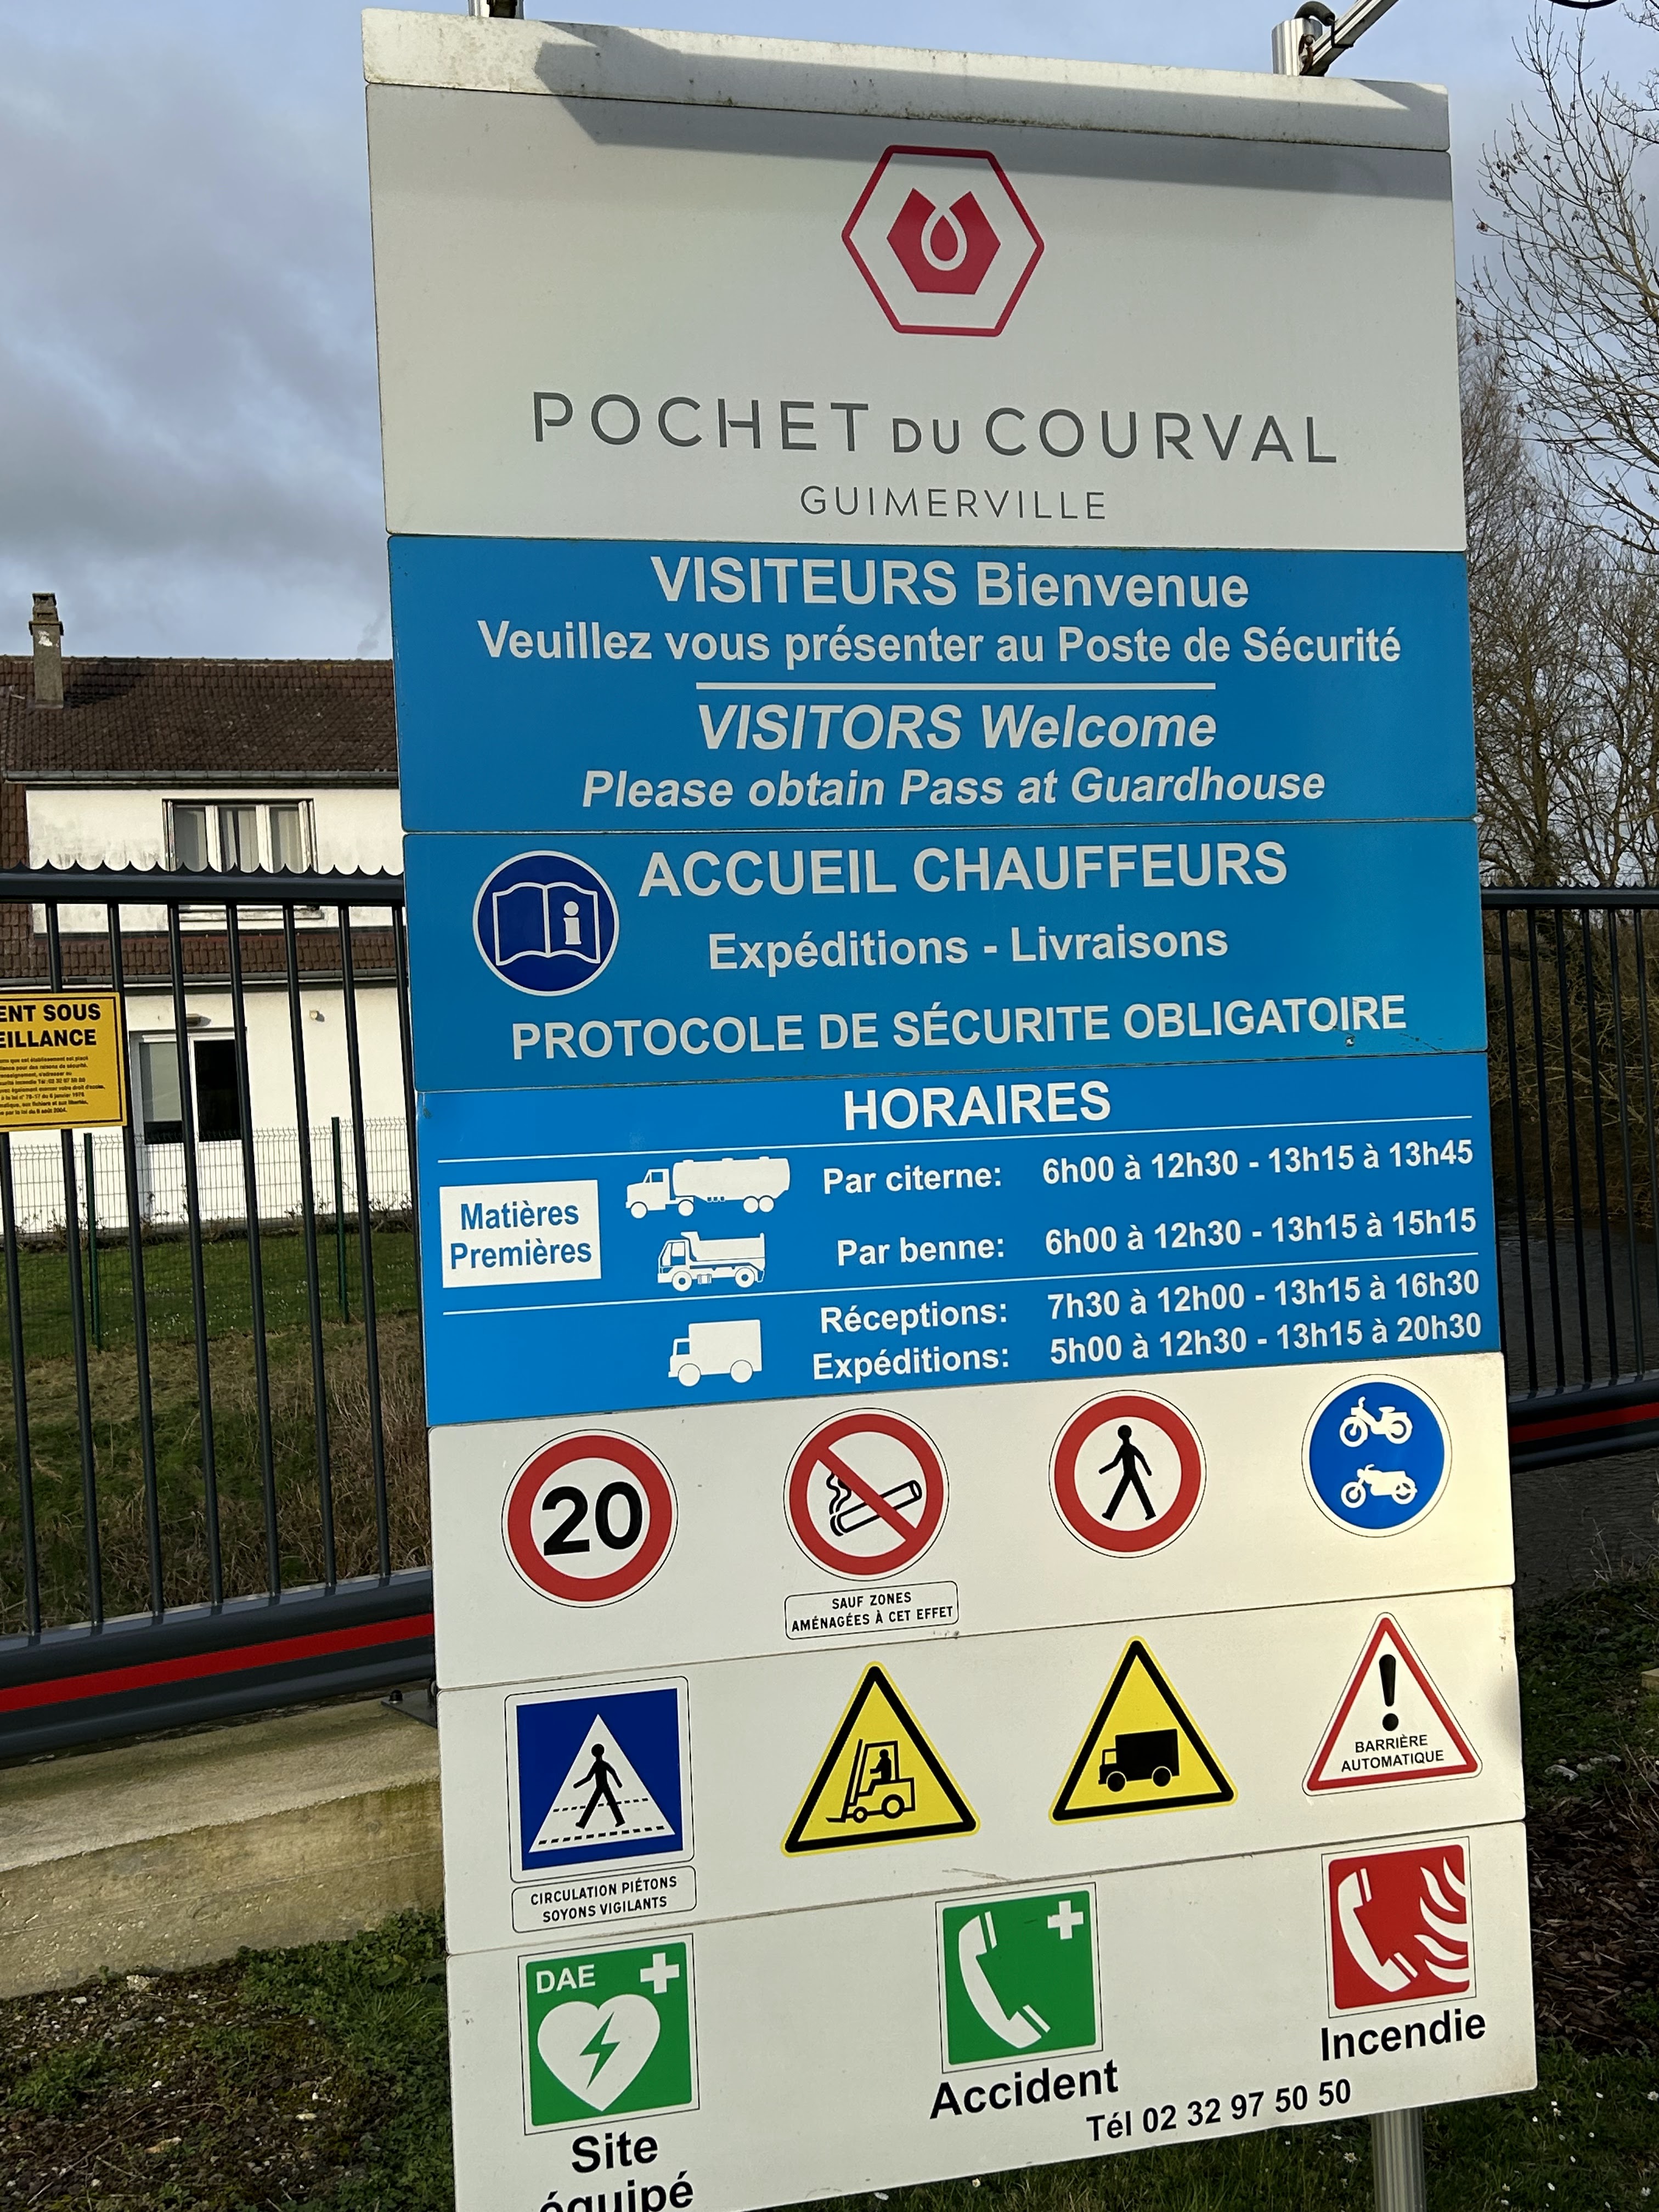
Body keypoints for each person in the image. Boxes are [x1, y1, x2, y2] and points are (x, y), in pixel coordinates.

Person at [1099, 1424, 1156, 1522]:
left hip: (1129, 1473)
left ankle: (1109, 1514)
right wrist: (1148, 1471)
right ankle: (1150, 1513)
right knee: (1139, 1492)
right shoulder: (1130, 1448)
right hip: (1132, 1473)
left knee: (1122, 1492)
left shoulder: (1124, 1449)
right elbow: (1141, 1457)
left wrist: (1103, 1470)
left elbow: (1115, 1463)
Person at [575, 1740, 626, 1830]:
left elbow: (589, 1778)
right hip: (604, 1787)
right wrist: (578, 1785)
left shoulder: (597, 1765)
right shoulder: (601, 1764)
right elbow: (612, 1772)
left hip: (601, 1787)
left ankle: (583, 1823)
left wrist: (619, 1783)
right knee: (611, 1804)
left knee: (593, 1805)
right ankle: (620, 1820)